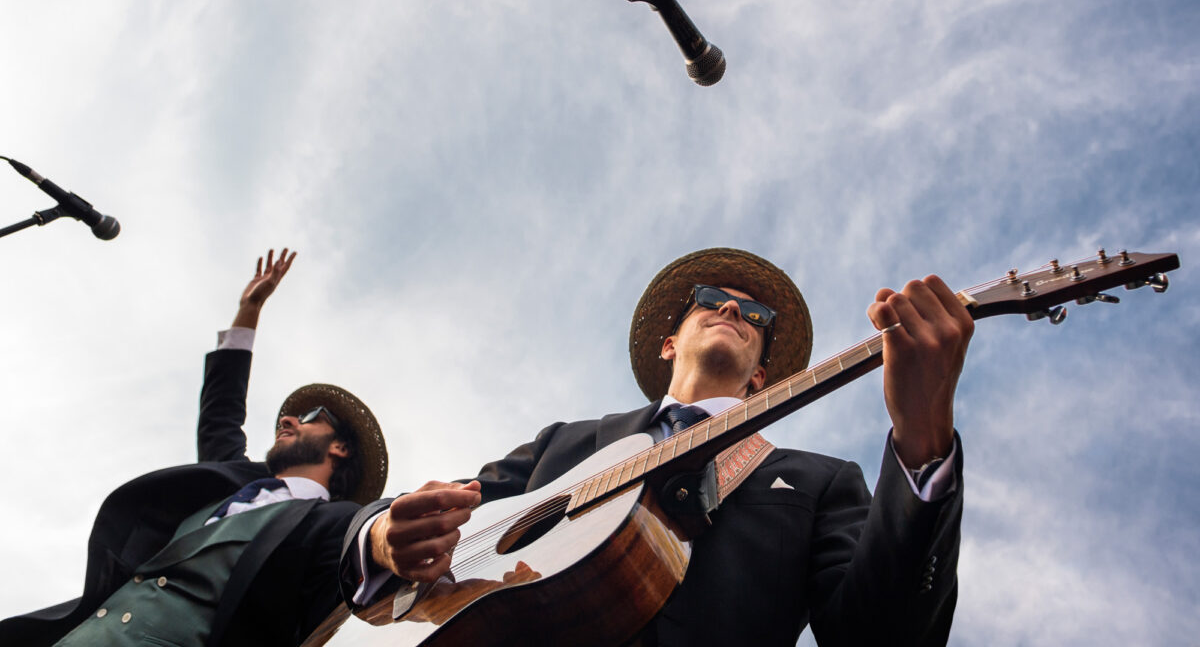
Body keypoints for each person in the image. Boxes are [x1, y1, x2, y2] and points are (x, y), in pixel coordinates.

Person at [350, 248, 972, 645]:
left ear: (761, 375)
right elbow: (443, 514)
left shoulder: (819, 482)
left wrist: (923, 447)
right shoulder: (564, 443)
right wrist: (380, 538)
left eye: (755, 315)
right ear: (670, 344)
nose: (733, 305)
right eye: (710, 298)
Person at [0, 249, 389, 647]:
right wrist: (249, 310)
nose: (286, 420)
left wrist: (385, 532)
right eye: (285, 419)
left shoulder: (337, 521)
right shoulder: (230, 481)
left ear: (340, 447)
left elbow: (369, 538)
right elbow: (221, 411)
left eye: (310, 417)